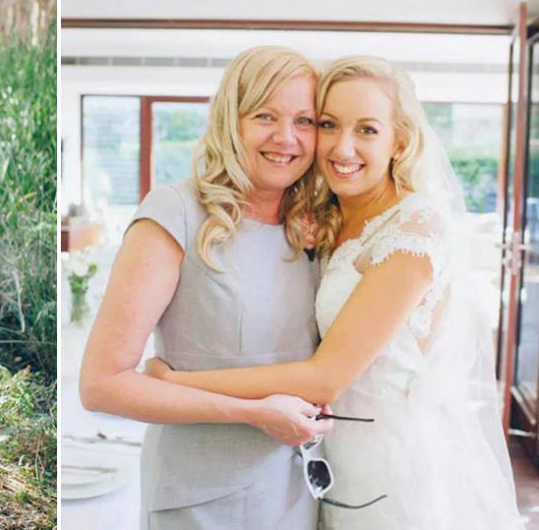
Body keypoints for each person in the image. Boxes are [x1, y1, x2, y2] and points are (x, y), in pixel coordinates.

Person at [145, 56, 523, 529]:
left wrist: (177, 384)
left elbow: (325, 378)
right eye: (327, 124)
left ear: (400, 142)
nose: (343, 147)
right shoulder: (323, 217)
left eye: (367, 130)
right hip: (321, 472)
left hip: (389, 471)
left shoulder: (415, 230)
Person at [78, 46, 332, 530]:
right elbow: (100, 385)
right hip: (202, 496)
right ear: (230, 120)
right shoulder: (174, 212)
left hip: (298, 488)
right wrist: (253, 413)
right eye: (265, 116)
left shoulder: (313, 225)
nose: (286, 138)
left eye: (305, 121)